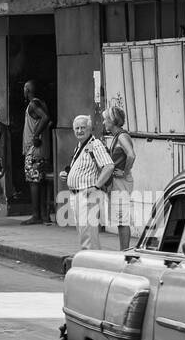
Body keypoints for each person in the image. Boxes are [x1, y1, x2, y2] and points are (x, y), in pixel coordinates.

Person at [60, 113, 114, 251]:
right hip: (77, 195)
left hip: (87, 195)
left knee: (88, 236)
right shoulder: (80, 146)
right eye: (77, 128)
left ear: (90, 129)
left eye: (83, 128)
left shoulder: (95, 144)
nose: (79, 131)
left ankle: (93, 265)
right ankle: (92, 263)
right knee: (84, 234)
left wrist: (96, 186)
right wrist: (68, 174)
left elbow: (108, 166)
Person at [103, 105, 137, 248]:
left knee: (122, 219)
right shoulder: (117, 136)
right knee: (120, 218)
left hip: (121, 181)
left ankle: (125, 251)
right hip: (117, 182)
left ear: (112, 121)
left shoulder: (122, 136)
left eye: (105, 120)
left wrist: (124, 171)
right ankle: (124, 249)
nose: (104, 123)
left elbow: (131, 155)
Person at [20, 83, 52, 226]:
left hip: (34, 151)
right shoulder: (42, 103)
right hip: (43, 150)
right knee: (42, 182)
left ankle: (36, 215)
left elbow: (45, 118)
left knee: (34, 182)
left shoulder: (33, 105)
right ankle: (45, 215)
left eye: (24, 88)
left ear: (27, 90)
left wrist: (35, 135)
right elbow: (49, 121)